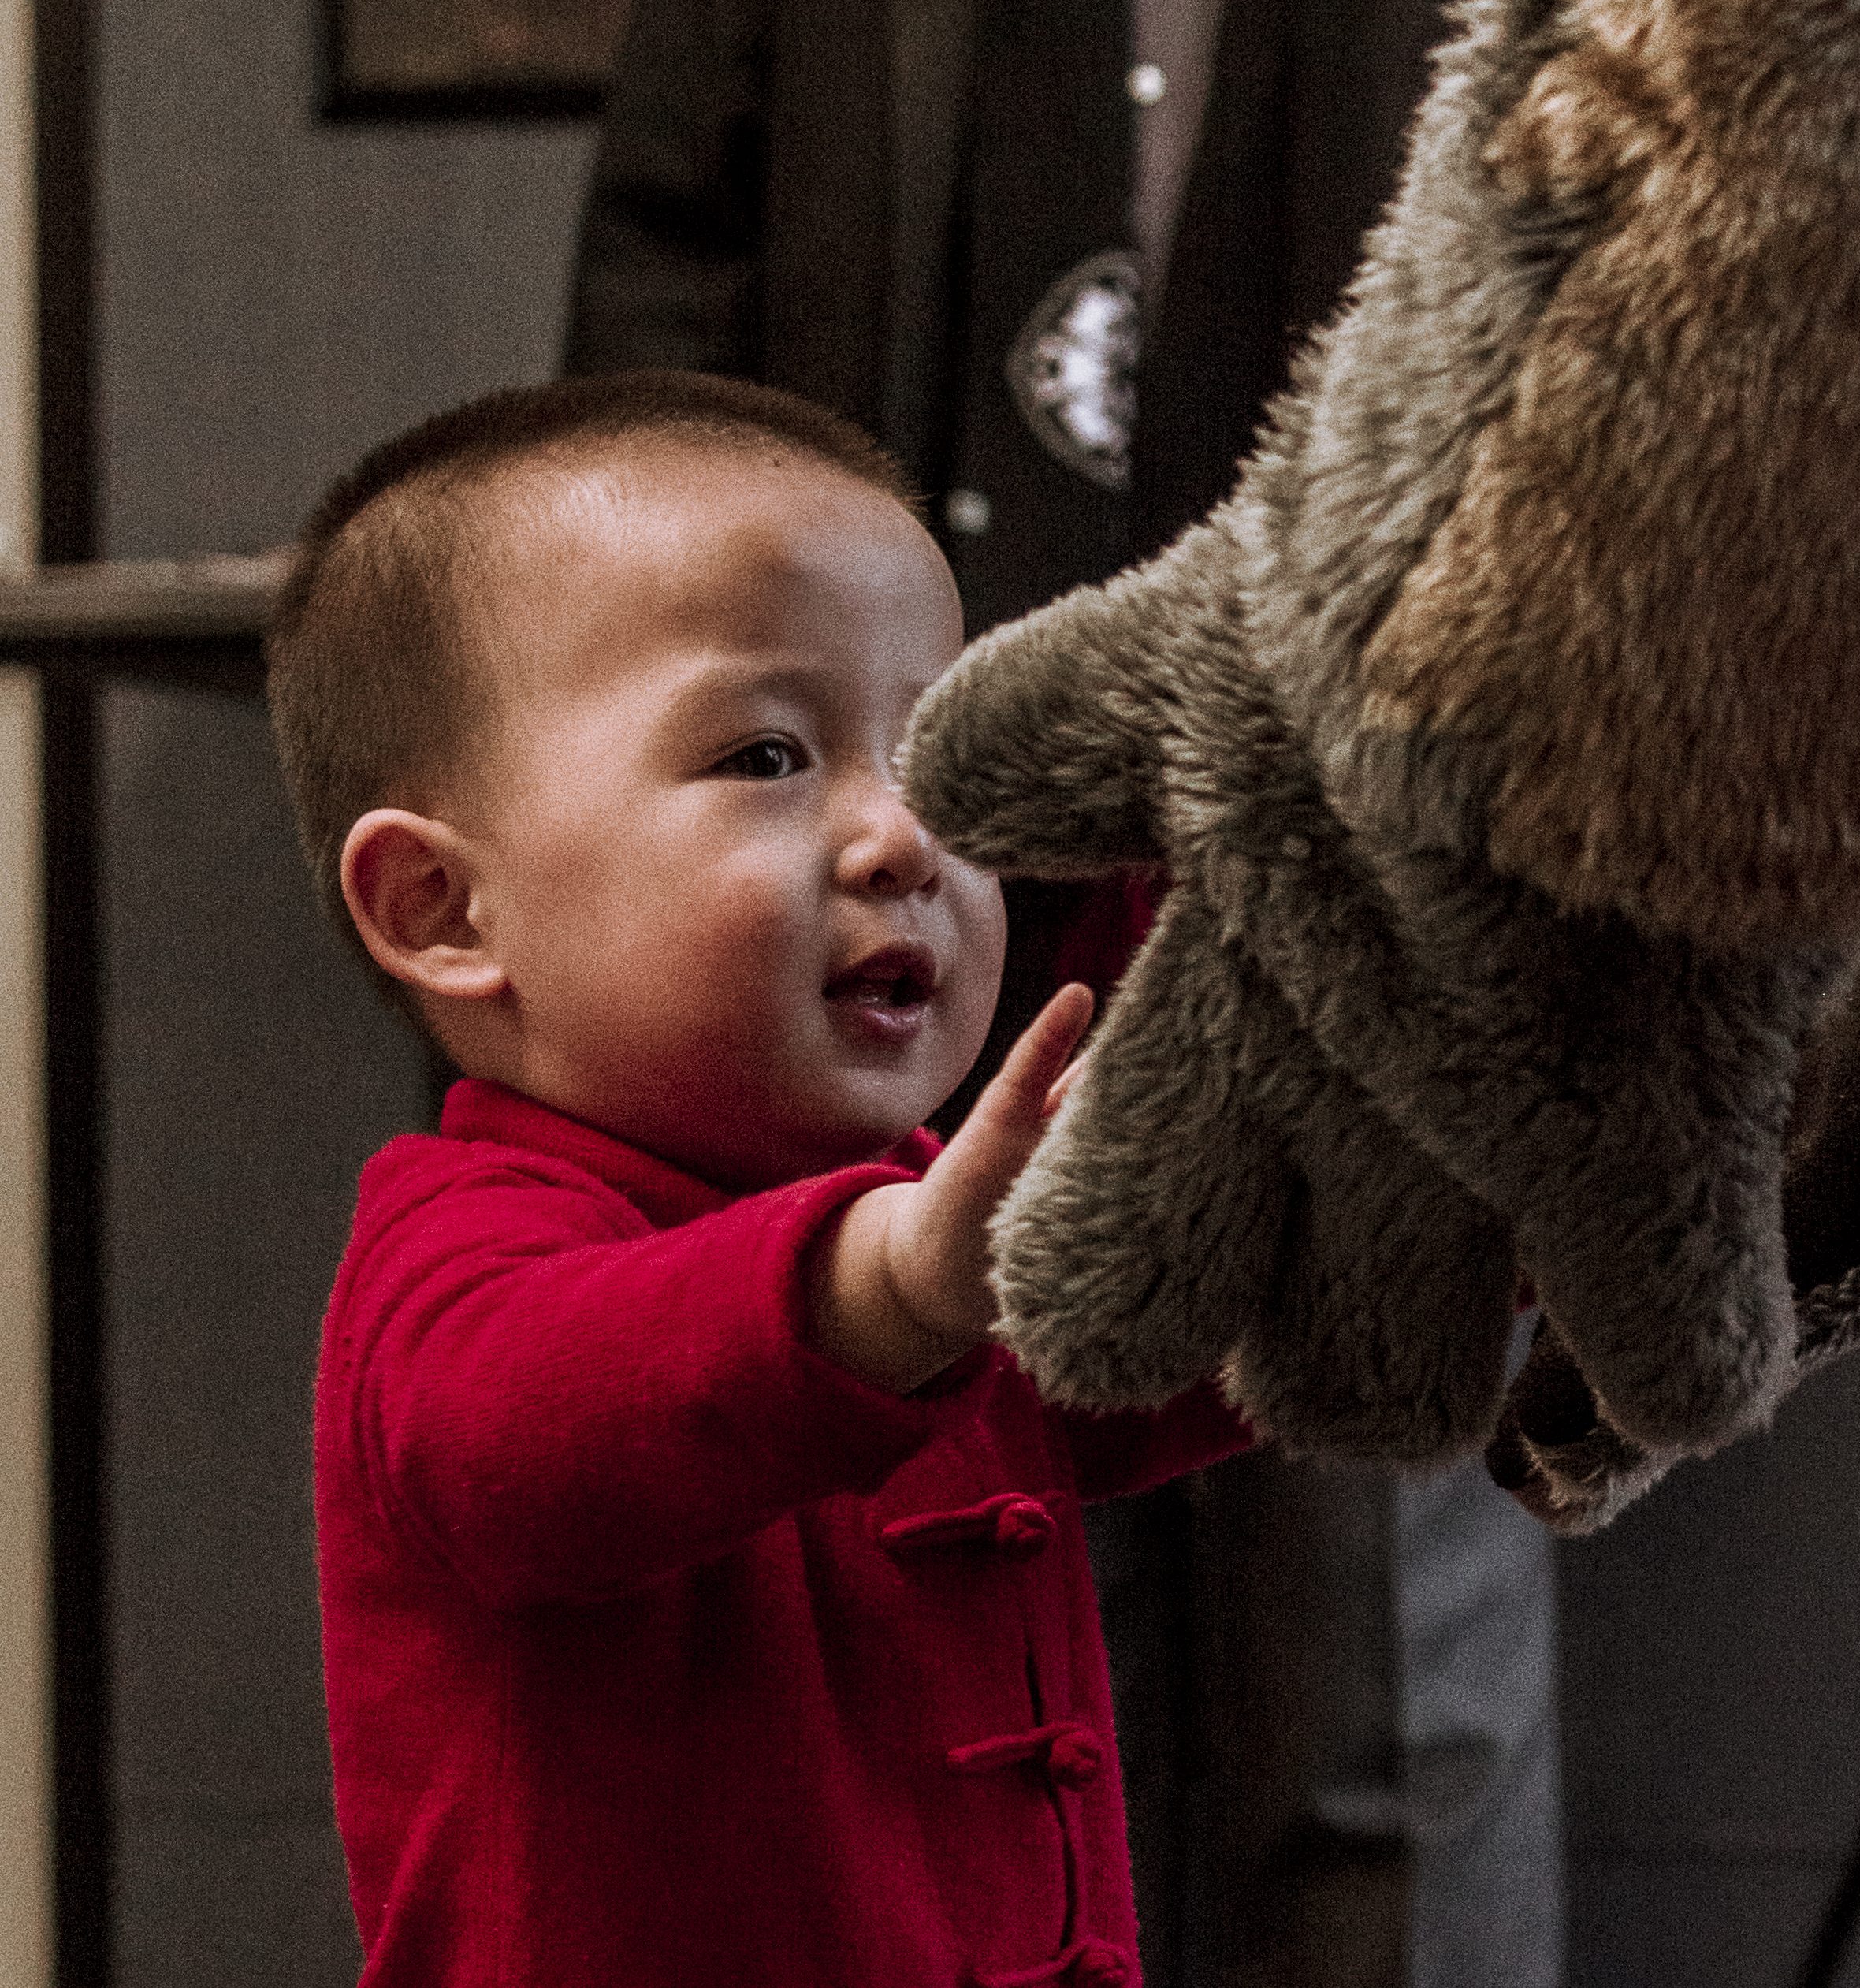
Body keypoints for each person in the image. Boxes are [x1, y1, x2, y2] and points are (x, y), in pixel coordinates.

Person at [564, 0, 1561, 1979]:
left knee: (1374, 1672)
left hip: (1368, 859)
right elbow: (661, 328)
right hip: (885, 880)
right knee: (909, 1651)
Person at [270, 369, 1247, 1986]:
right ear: (447, 908)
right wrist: (895, 1279)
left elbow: (1175, 1331)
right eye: (769, 754)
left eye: (941, 759)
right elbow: (534, 1425)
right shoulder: (457, 1252)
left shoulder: (932, 1204)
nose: (899, 838)